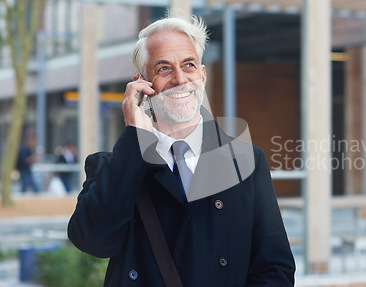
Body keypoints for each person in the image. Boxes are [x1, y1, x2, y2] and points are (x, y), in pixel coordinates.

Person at [68, 11, 295, 287]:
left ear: (202, 75)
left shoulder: (245, 161)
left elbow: (275, 269)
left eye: (188, 65)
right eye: (164, 68)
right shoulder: (113, 166)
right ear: (143, 84)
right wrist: (134, 138)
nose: (179, 78)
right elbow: (93, 241)